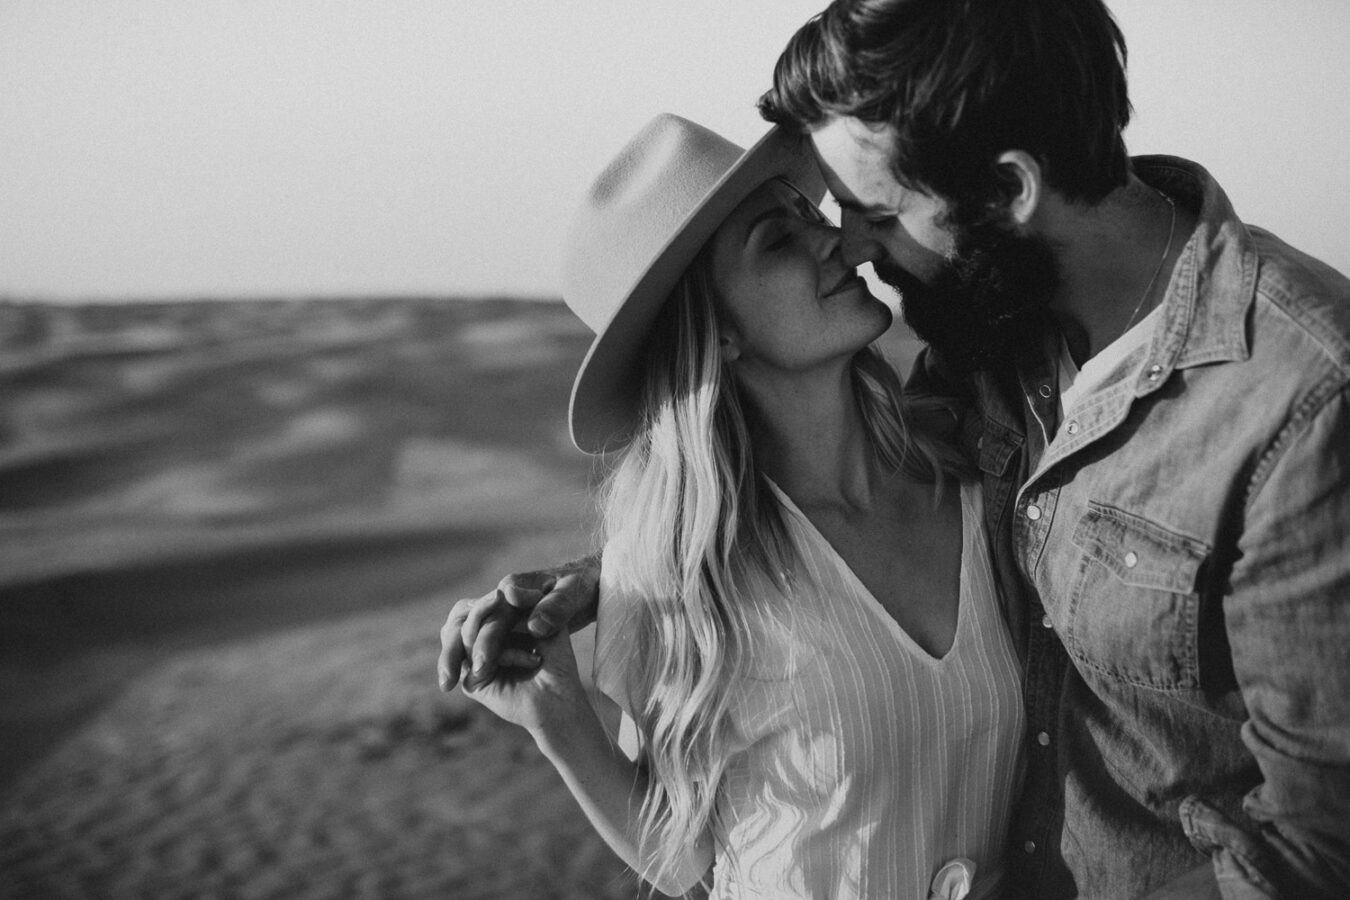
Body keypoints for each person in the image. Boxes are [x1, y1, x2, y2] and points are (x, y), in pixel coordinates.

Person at [443, 2, 1350, 897]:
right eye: (808, 221)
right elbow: (694, 840)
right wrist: (625, 584)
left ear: (1008, 192)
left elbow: (1318, 849)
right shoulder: (996, 335)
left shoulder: (1298, 402)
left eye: (871, 210)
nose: (847, 244)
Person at [447, 112, 1025, 899]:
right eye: (780, 240)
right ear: (717, 332)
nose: (835, 239)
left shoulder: (981, 480)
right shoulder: (677, 575)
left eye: (810, 215)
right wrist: (560, 721)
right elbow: (684, 859)